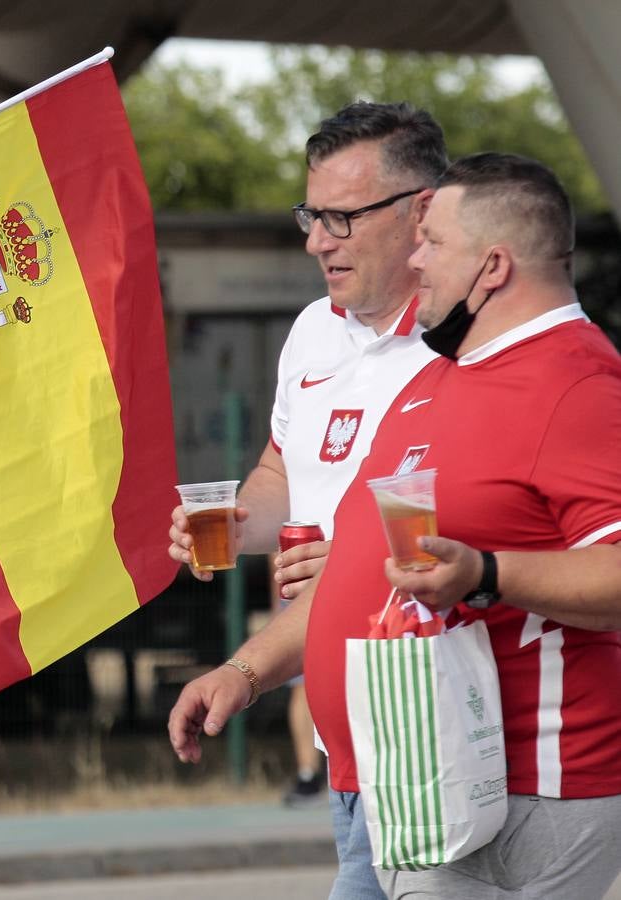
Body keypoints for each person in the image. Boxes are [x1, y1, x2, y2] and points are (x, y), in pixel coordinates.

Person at [168, 100, 444, 898]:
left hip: (423, 734)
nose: (315, 240)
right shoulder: (313, 330)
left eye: (340, 218)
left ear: (420, 210)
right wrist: (232, 521)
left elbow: (462, 532)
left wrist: (365, 557)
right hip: (342, 741)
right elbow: (279, 473)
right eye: (309, 214)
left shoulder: (462, 342)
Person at [331, 152, 620, 898]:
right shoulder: (439, 375)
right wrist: (247, 669)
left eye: (433, 242)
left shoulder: (577, 382)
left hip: (529, 789)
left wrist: (486, 573)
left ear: (492, 267)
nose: (414, 259)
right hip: (424, 774)